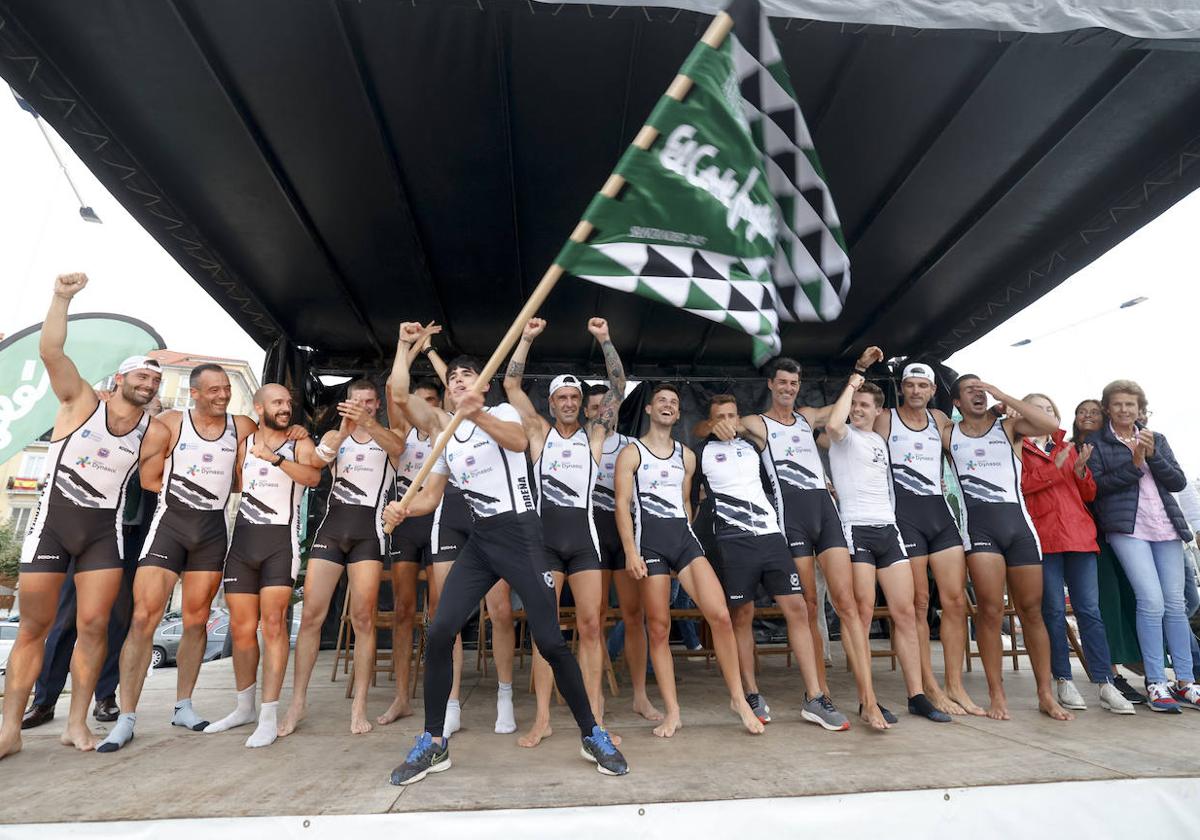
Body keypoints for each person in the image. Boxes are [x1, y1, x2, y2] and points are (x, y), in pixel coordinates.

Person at [383, 322, 627, 784]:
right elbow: (402, 406)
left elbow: (516, 444)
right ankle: (433, 742)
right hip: (481, 543)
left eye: (467, 375)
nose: (457, 380)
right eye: (452, 377)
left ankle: (593, 733)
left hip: (523, 536)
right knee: (438, 633)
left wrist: (475, 413)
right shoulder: (443, 435)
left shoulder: (503, 415)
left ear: (483, 385)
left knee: (551, 642)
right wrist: (402, 509)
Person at [0, 274, 159, 760]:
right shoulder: (81, 401)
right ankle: (9, 729)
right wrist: (61, 299)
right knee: (33, 628)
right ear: (120, 380)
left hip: (101, 537)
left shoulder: (152, 431)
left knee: (93, 627)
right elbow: (52, 352)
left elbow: (167, 470)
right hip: (51, 527)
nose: (148, 384)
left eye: (154, 380)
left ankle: (76, 722)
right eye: (141, 377)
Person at [98, 361, 283, 753]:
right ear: (194, 392)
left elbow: (258, 457)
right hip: (170, 526)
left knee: (197, 620)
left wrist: (297, 429)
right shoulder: (170, 422)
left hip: (212, 533)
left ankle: (183, 704)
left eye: (225, 390)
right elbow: (148, 478)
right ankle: (126, 717)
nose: (221, 395)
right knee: (144, 618)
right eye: (213, 389)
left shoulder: (242, 427)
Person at [698, 354, 889, 729]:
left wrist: (859, 374)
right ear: (770, 384)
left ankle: (868, 700)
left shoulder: (807, 416)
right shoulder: (757, 423)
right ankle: (819, 694)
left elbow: (842, 408)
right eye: (782, 382)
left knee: (846, 603)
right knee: (808, 603)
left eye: (794, 383)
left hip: (825, 511)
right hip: (792, 518)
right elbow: (711, 426)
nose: (788, 388)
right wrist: (712, 426)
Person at [502, 316, 627, 747]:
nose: (571, 402)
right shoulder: (538, 433)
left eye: (576, 396)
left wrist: (605, 340)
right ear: (552, 403)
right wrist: (526, 339)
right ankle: (542, 718)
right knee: (546, 632)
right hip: (545, 545)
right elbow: (512, 388)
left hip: (585, 543)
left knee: (592, 626)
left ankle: (592, 716)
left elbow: (619, 385)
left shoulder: (596, 433)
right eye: (563, 397)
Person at [614, 382, 764, 738]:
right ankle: (673, 711)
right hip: (648, 543)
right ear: (649, 410)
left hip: (683, 539)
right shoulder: (632, 452)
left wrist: (691, 537)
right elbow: (622, 505)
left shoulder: (687, 455)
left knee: (721, 617)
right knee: (660, 629)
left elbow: (685, 501)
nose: (667, 405)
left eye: (674, 403)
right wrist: (631, 552)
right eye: (661, 401)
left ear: (678, 414)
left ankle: (739, 700)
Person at [278, 379, 404, 736]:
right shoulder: (337, 435)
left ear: (377, 404)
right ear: (345, 404)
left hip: (369, 533)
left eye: (368, 401)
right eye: (356, 401)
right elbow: (319, 460)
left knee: (364, 618)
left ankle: (359, 705)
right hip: (331, 531)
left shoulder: (385, 434)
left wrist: (368, 424)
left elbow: (398, 447)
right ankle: (298, 703)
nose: (362, 405)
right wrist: (343, 428)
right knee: (313, 617)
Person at [23, 408, 160, 732]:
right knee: (65, 619)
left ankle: (105, 697)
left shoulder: (154, 444)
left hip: (132, 539)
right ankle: (44, 701)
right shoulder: (99, 431)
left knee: (118, 621)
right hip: (88, 536)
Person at [945, 375, 1072, 721]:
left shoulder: (1010, 426)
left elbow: (1051, 424)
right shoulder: (949, 433)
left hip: (1020, 528)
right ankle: (996, 694)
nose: (979, 393)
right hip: (980, 529)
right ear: (957, 402)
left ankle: (1045, 693)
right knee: (989, 610)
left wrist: (1002, 395)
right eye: (970, 390)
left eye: (982, 389)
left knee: (1032, 611)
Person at [824, 374, 950, 724]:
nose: (858, 410)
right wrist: (850, 387)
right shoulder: (843, 435)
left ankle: (917, 695)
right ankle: (868, 699)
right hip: (856, 530)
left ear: (878, 410)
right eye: (855, 406)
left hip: (889, 530)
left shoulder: (880, 440)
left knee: (907, 612)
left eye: (865, 405)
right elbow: (834, 422)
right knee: (861, 615)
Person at [203, 384, 321, 747]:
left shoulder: (299, 442)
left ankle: (269, 714)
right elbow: (237, 483)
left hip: (279, 544)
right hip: (243, 544)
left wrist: (277, 460)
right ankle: (244, 708)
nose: (286, 407)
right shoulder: (244, 442)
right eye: (278, 402)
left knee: (273, 626)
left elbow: (314, 477)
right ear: (259, 407)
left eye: (289, 401)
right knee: (240, 629)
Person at [874, 363, 981, 716]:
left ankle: (954, 684)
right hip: (904, 516)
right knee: (919, 603)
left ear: (933, 391)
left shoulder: (939, 419)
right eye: (911, 385)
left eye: (923, 385)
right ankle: (929, 687)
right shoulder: (886, 418)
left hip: (940, 515)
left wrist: (999, 413)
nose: (916, 391)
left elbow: (971, 438)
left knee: (955, 601)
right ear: (901, 388)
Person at [1086, 380, 1197, 712]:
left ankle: (1187, 681)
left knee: (1176, 605)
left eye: (1130, 405)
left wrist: (1151, 455)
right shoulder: (1097, 442)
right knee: (1151, 602)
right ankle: (1155, 681)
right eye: (1118, 404)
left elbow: (1177, 480)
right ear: (1108, 408)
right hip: (1127, 528)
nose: (1124, 410)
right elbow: (1098, 488)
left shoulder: (1156, 438)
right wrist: (1134, 464)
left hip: (1166, 527)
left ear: (1140, 409)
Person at [1019, 393, 1134, 714]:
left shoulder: (1067, 448)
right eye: (1036, 409)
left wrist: (1081, 472)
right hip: (1042, 540)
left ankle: (1104, 683)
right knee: (1053, 612)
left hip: (1080, 537)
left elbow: (1088, 493)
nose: (1043, 414)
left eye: (1047, 409)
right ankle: (1063, 679)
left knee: (1090, 612)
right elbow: (1023, 486)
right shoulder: (1017, 447)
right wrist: (1056, 470)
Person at [377, 341, 446, 727]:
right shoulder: (402, 429)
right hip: (405, 519)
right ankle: (402, 696)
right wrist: (405, 349)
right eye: (418, 399)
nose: (424, 405)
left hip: (435, 515)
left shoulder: (443, 429)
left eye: (431, 399)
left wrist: (430, 353)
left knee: (438, 613)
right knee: (404, 611)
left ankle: (441, 695)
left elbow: (456, 386)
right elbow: (392, 389)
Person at [586, 383, 662, 724]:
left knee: (634, 615)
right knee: (595, 618)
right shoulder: (580, 444)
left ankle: (640, 697)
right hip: (592, 531)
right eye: (598, 407)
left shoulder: (632, 446)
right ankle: (596, 696)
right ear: (588, 412)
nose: (605, 411)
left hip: (625, 531)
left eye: (610, 406)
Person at [1074, 399, 1145, 705]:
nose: (1088, 416)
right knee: (1103, 606)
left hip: (1125, 531)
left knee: (1132, 602)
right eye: (1082, 411)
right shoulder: (1067, 448)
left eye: (1095, 412)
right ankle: (1111, 675)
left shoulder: (1112, 446)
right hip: (1089, 535)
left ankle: (1149, 670)